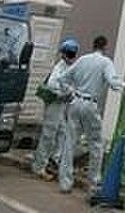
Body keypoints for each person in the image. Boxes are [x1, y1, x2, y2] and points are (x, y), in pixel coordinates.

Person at [57, 35, 125, 196]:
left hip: (75, 102)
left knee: (70, 143)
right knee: (96, 143)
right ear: (105, 47)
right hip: (90, 105)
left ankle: (65, 183)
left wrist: (70, 91)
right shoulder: (105, 62)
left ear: (93, 45)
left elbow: (62, 78)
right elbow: (112, 81)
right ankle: (93, 183)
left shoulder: (82, 60)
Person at [31, 37, 79, 179]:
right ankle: (39, 167)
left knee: (62, 133)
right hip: (54, 104)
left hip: (60, 105)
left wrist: (70, 94)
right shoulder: (60, 67)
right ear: (63, 54)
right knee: (49, 135)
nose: (71, 57)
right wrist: (64, 94)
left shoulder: (67, 67)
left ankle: (54, 160)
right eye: (69, 54)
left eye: (73, 54)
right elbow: (53, 85)